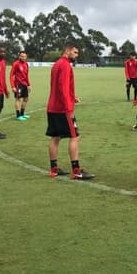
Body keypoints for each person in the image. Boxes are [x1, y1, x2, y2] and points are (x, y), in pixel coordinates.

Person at [46, 43, 94, 180]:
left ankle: (54, 169)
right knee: (75, 136)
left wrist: (72, 97)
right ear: (67, 51)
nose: (76, 55)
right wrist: (69, 108)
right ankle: (77, 170)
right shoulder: (66, 65)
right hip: (63, 109)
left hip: (52, 107)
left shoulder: (56, 64)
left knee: (55, 137)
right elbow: (62, 88)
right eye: (75, 52)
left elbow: (59, 86)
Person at [9, 51, 31, 121]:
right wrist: (13, 86)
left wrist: (29, 85)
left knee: (26, 99)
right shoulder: (16, 64)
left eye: (24, 56)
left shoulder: (26, 64)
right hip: (18, 84)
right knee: (18, 99)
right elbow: (11, 75)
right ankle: (18, 115)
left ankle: (22, 114)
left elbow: (26, 76)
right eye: (22, 56)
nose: (23, 58)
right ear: (19, 56)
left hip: (25, 84)